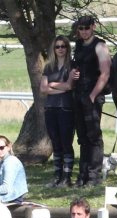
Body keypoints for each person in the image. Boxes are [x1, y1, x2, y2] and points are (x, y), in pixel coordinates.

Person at [71, 15, 111, 187]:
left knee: (94, 136)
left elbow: (105, 73)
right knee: (82, 137)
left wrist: (93, 95)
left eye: (87, 28)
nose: (84, 31)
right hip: (79, 94)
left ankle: (94, 175)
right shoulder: (79, 45)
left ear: (93, 27)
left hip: (92, 95)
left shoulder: (100, 45)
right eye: (81, 28)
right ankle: (83, 174)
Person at [40, 35, 75, 187]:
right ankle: (57, 175)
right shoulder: (49, 67)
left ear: (67, 48)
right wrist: (59, 87)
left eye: (63, 46)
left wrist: (52, 85)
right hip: (50, 108)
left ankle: (67, 176)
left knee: (66, 142)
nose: (60, 49)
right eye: (57, 46)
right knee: (56, 143)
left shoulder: (72, 65)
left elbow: (70, 86)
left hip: (66, 108)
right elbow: (43, 88)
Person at [0, 135, 28, 203]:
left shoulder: (10, 162)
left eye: (1, 147)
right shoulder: (2, 162)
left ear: (8, 147)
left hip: (13, 198)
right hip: (5, 197)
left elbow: (6, 188)